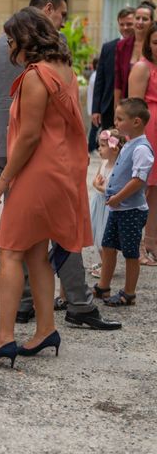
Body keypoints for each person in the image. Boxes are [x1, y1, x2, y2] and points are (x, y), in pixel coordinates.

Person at [0, 7, 92, 368]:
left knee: (8, 252)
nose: (9, 48)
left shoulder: (35, 76)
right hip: (58, 171)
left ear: (27, 39)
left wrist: (5, 178)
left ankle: (4, 338)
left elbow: (28, 136)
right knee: (35, 252)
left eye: (11, 40)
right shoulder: (65, 71)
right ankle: (45, 329)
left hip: (36, 173)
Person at [93, 99, 154, 306]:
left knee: (130, 252)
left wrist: (118, 197)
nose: (116, 123)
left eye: (120, 119)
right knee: (108, 245)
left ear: (136, 122)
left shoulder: (142, 149)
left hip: (130, 209)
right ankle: (103, 286)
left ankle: (129, 293)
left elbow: (139, 180)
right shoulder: (129, 143)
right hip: (118, 208)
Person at [128, 22, 157, 266]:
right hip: (148, 132)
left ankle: (151, 243)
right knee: (142, 188)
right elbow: (134, 108)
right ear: (148, 43)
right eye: (156, 42)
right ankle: (136, 245)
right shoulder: (142, 67)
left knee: (156, 190)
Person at [91, 7, 136, 133]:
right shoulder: (108, 47)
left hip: (133, 107)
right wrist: (96, 109)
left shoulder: (141, 48)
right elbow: (100, 80)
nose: (125, 27)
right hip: (109, 108)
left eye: (129, 24)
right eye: (122, 24)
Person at [89, 129, 125, 278]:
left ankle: (108, 267)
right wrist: (97, 183)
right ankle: (104, 263)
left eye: (103, 146)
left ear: (114, 149)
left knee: (106, 239)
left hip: (109, 207)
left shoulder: (118, 168)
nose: (99, 149)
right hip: (99, 205)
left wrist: (99, 186)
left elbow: (112, 191)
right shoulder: (103, 163)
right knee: (97, 236)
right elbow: (95, 180)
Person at [114, 0, 155, 109]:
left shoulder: (154, 45)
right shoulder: (122, 46)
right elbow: (118, 81)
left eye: (145, 19)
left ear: (152, 22)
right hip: (127, 104)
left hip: (148, 105)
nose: (140, 22)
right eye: (137, 18)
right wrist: (117, 108)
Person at [86, 57, 100, 152]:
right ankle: (91, 147)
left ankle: (93, 146)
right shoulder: (96, 77)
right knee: (95, 128)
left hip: (93, 107)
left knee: (95, 128)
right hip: (94, 107)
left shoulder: (95, 75)